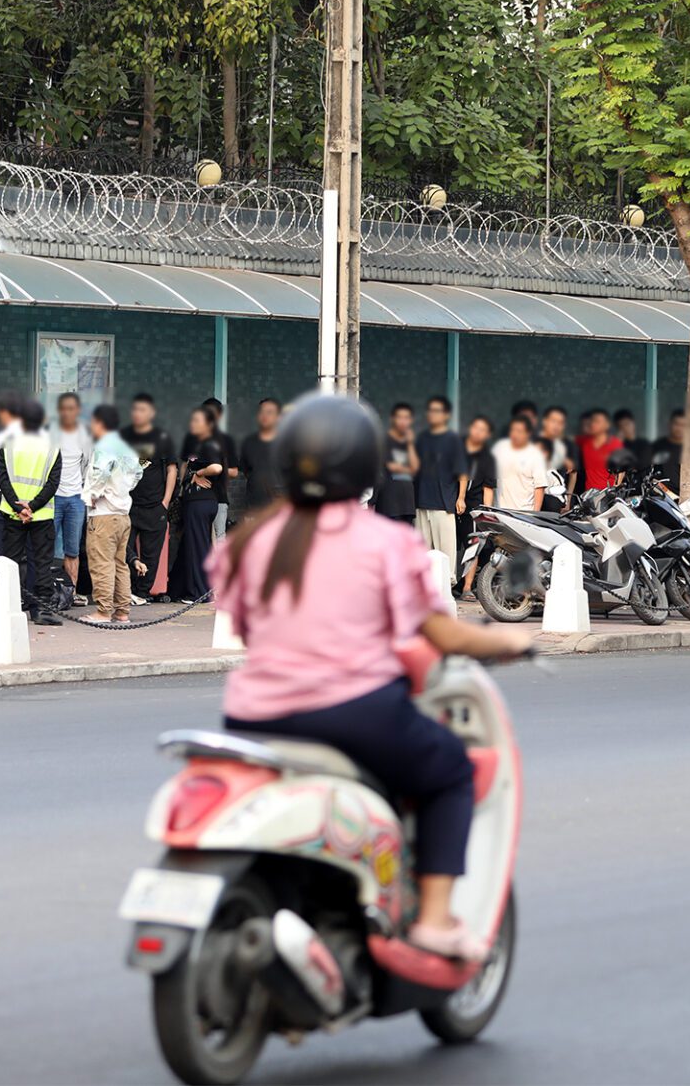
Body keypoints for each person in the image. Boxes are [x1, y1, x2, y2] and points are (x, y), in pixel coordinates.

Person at [212, 394, 534, 961]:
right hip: (352, 712)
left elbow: (246, 624)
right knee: (450, 770)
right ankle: (433, 920)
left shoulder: (250, 539)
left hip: (252, 714)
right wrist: (507, 640)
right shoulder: (383, 540)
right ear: (366, 466)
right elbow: (442, 634)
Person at [0, 400, 64, 625]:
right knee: (42, 562)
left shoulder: (8, 443)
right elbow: (53, 483)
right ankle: (42, 609)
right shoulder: (53, 446)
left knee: (10, 562)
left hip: (12, 513)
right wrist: (32, 507)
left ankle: (10, 608)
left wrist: (19, 507)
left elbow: (3, 479)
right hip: (41, 514)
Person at [83, 404, 143, 624]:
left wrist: (93, 493)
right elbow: (139, 471)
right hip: (122, 512)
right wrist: (123, 490)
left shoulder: (104, 446)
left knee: (101, 563)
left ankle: (103, 611)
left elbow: (102, 470)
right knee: (120, 564)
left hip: (104, 512)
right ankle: (122, 611)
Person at [122, 395, 176, 605]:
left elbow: (172, 470)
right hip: (128, 504)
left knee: (151, 554)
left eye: (143, 410)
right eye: (135, 409)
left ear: (151, 414)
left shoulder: (162, 438)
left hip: (155, 505)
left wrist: (165, 502)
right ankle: (127, 591)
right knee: (124, 549)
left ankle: (142, 593)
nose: (138, 413)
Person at [174, 404, 226, 603]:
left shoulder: (209, 443)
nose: (192, 424)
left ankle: (200, 592)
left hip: (202, 501)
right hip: (194, 501)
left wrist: (199, 473)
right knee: (193, 545)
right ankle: (188, 588)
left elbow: (217, 467)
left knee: (198, 547)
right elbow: (185, 466)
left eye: (197, 421)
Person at [51, 392, 93, 598]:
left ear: (78, 411)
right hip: (53, 497)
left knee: (73, 549)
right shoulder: (50, 433)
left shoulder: (84, 436)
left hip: (76, 498)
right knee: (47, 546)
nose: (67, 412)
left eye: (71, 408)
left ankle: (71, 592)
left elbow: (88, 465)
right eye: (64, 408)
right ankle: (49, 590)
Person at [414, 395, 463, 566]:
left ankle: (447, 586)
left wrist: (461, 498)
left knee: (445, 551)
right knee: (422, 552)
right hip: (421, 502)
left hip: (444, 504)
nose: (432, 414)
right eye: (430, 411)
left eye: (437, 411)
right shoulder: (421, 439)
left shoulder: (453, 440)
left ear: (446, 415)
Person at [456, 415, 496, 597]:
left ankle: (467, 587)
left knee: (473, 546)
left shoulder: (487, 459)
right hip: (450, 504)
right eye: (476, 428)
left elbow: (488, 488)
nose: (478, 432)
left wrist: (485, 513)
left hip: (473, 506)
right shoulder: (458, 451)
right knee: (452, 546)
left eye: (483, 430)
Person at [235, 398, 284, 514]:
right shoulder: (249, 443)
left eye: (270, 412)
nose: (265, 415)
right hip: (255, 504)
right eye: (262, 411)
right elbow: (246, 471)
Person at [491, 415, 548, 511]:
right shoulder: (500, 448)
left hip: (523, 514)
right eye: (513, 430)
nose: (515, 434)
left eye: (519, 431)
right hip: (500, 511)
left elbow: (539, 487)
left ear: (528, 433)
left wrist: (535, 515)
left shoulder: (535, 455)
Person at [201, 398, 240, 535]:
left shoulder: (226, 441)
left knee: (218, 537)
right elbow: (185, 465)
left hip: (219, 497)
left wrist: (213, 469)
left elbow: (234, 472)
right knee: (200, 539)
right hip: (197, 498)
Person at [375, 403, 419, 523]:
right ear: (392, 419)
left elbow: (415, 467)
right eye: (400, 417)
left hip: (407, 504)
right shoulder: (384, 440)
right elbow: (392, 466)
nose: (403, 421)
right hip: (389, 504)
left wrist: (410, 443)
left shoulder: (411, 442)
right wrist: (409, 469)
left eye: (406, 418)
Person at [574, 408, 625, 491]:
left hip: (608, 492)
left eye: (597, 422)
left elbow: (622, 469)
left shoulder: (615, 444)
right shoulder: (584, 442)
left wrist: (616, 487)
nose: (593, 424)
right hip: (589, 493)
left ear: (607, 425)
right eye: (592, 421)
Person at [539, 406, 573, 509]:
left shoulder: (564, 447)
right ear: (545, 421)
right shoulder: (531, 443)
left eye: (560, 423)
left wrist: (568, 502)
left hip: (553, 500)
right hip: (529, 500)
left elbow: (572, 474)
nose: (556, 426)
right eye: (553, 421)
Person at [649, 409, 686, 494]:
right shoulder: (658, 446)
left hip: (686, 496)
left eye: (683, 425)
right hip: (663, 495)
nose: (679, 428)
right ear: (670, 424)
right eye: (676, 424)